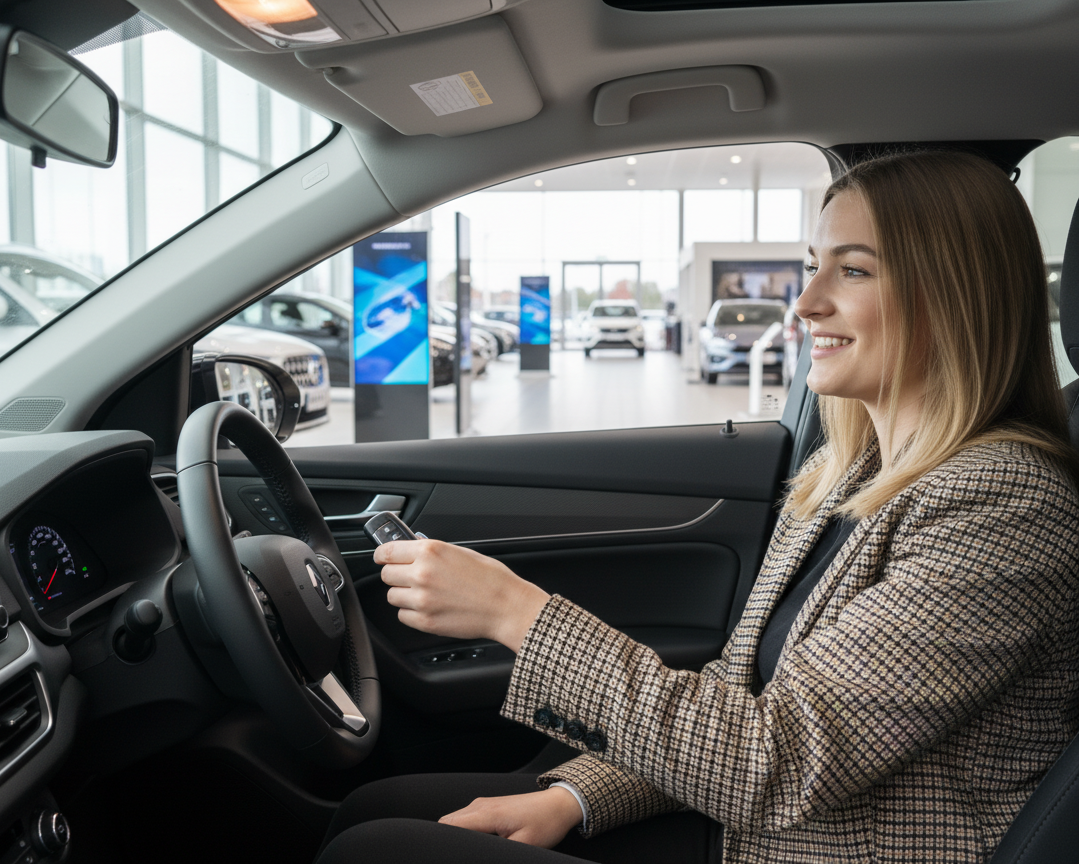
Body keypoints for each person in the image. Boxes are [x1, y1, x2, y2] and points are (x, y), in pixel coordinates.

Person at [316, 150, 1079, 864]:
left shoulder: (1004, 505)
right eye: (813, 267)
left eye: (852, 271)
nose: (806, 303)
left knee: (375, 850)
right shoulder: (844, 473)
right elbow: (736, 694)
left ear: (955, 296)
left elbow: (773, 762)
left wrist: (516, 613)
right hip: (746, 825)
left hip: (809, 841)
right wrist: (575, 797)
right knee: (375, 811)